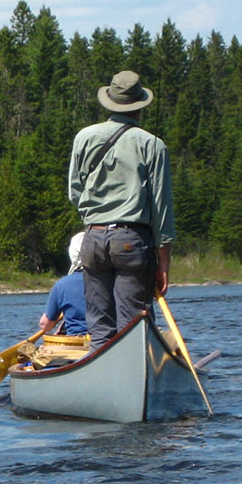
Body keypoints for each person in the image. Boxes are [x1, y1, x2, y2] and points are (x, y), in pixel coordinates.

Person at [67, 70, 174, 349]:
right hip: (132, 240)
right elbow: (161, 207)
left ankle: (101, 378)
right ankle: (134, 377)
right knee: (131, 324)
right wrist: (163, 263)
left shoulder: (84, 137)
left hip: (92, 239)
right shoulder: (152, 144)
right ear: (140, 106)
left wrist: (95, 218)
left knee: (100, 325)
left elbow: (74, 192)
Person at [38, 231, 88, 337]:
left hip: (75, 341)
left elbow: (45, 325)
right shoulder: (111, 280)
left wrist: (56, 320)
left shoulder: (62, 285)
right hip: (106, 339)